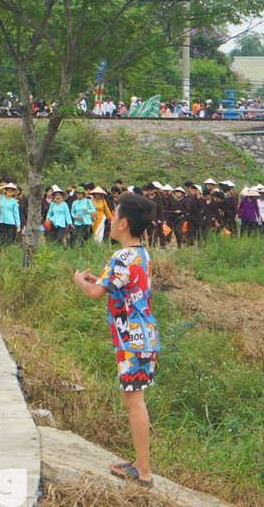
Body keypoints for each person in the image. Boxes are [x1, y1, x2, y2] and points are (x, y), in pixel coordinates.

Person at [71, 193, 159, 489]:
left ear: (123, 223)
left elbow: (97, 293)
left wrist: (79, 280)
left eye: (114, 214)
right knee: (131, 399)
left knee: (134, 402)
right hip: (141, 337)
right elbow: (117, 286)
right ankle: (139, 463)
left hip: (133, 341)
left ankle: (143, 471)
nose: (109, 218)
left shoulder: (121, 257)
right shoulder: (140, 254)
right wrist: (99, 280)